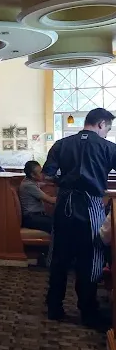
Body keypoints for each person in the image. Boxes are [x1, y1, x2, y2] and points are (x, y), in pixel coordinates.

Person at [43, 108, 116, 327]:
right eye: (108, 129)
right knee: (91, 258)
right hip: (91, 205)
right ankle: (88, 312)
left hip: (64, 203)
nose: (106, 133)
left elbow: (47, 174)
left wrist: (64, 182)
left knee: (59, 257)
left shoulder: (61, 144)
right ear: (101, 124)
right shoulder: (109, 147)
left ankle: (54, 308)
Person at [18, 161, 56, 233]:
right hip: (31, 218)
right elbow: (50, 200)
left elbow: (40, 184)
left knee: (58, 220)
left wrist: (49, 183)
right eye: (40, 172)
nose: (43, 174)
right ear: (33, 175)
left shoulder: (29, 181)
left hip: (36, 216)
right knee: (58, 224)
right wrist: (65, 199)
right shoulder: (29, 185)